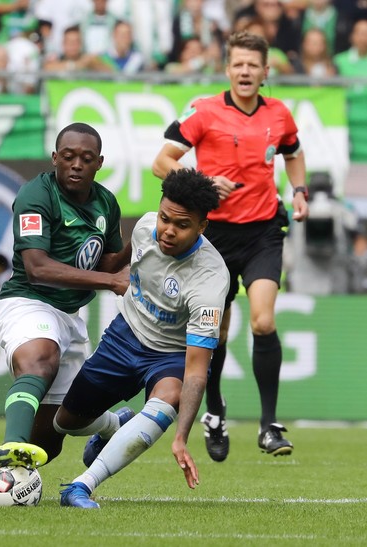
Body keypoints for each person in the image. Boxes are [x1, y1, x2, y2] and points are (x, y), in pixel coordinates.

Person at [0, 122, 131, 499]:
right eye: (69, 156)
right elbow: (38, 268)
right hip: (27, 301)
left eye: (86, 159)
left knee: (52, 438)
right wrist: (111, 282)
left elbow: (107, 263)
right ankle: (13, 449)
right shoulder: (36, 195)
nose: (76, 164)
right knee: (40, 359)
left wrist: (137, 243)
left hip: (70, 317)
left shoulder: (106, 202)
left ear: (99, 164)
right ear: (55, 158)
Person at [152, 30, 309, 461]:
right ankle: (215, 411)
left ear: (265, 72)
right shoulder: (204, 112)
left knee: (262, 321)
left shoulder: (279, 114)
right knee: (216, 331)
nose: (245, 71)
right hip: (213, 239)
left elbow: (293, 152)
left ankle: (269, 425)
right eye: (238, 64)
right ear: (228, 70)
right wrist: (201, 184)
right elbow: (161, 162)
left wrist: (299, 191)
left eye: (252, 65)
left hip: (262, 233)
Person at [56, 168, 229, 509]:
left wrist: (181, 436)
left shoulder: (210, 279)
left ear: (201, 227)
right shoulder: (144, 228)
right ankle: (113, 425)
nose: (168, 230)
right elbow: (118, 265)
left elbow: (196, 370)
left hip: (172, 355)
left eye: (182, 225)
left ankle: (80, 487)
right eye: (165, 218)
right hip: (125, 337)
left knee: (170, 395)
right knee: (66, 422)